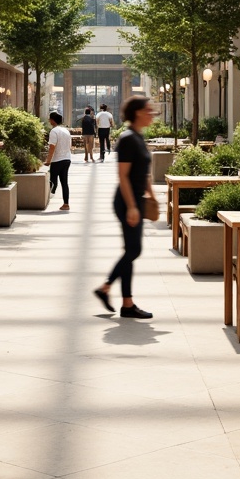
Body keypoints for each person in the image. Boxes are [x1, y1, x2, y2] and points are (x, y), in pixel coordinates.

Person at [94, 96, 155, 319]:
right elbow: (124, 176)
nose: (151, 114)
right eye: (148, 110)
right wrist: (131, 207)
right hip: (127, 201)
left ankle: (127, 304)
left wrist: (151, 195)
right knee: (133, 250)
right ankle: (106, 288)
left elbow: (143, 171)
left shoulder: (138, 136)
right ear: (137, 112)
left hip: (136, 199)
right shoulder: (128, 139)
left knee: (130, 250)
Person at [45, 111, 72, 211]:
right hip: (67, 159)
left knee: (52, 180)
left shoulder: (54, 131)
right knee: (64, 182)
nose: (49, 121)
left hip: (57, 159)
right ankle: (66, 204)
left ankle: (49, 196)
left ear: (52, 120)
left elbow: (52, 147)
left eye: (49, 119)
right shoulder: (66, 131)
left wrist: (48, 161)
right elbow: (69, 145)